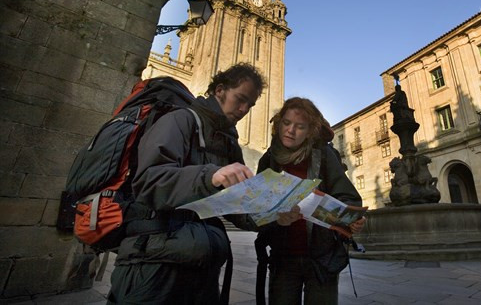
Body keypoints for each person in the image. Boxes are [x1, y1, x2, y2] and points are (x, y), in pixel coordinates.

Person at [107, 63, 266, 304]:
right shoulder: (180, 120)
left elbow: (235, 204)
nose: (244, 109)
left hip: (203, 267)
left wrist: (272, 214)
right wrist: (211, 176)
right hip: (154, 265)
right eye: (240, 99)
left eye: (250, 105)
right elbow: (149, 182)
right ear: (220, 90)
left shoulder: (228, 142)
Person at [255, 97, 365, 305]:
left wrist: (352, 217)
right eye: (286, 123)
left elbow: (348, 196)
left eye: (300, 126)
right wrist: (276, 218)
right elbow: (259, 209)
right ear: (278, 124)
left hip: (321, 259)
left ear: (310, 131)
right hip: (283, 258)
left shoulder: (324, 155)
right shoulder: (268, 160)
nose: (290, 130)